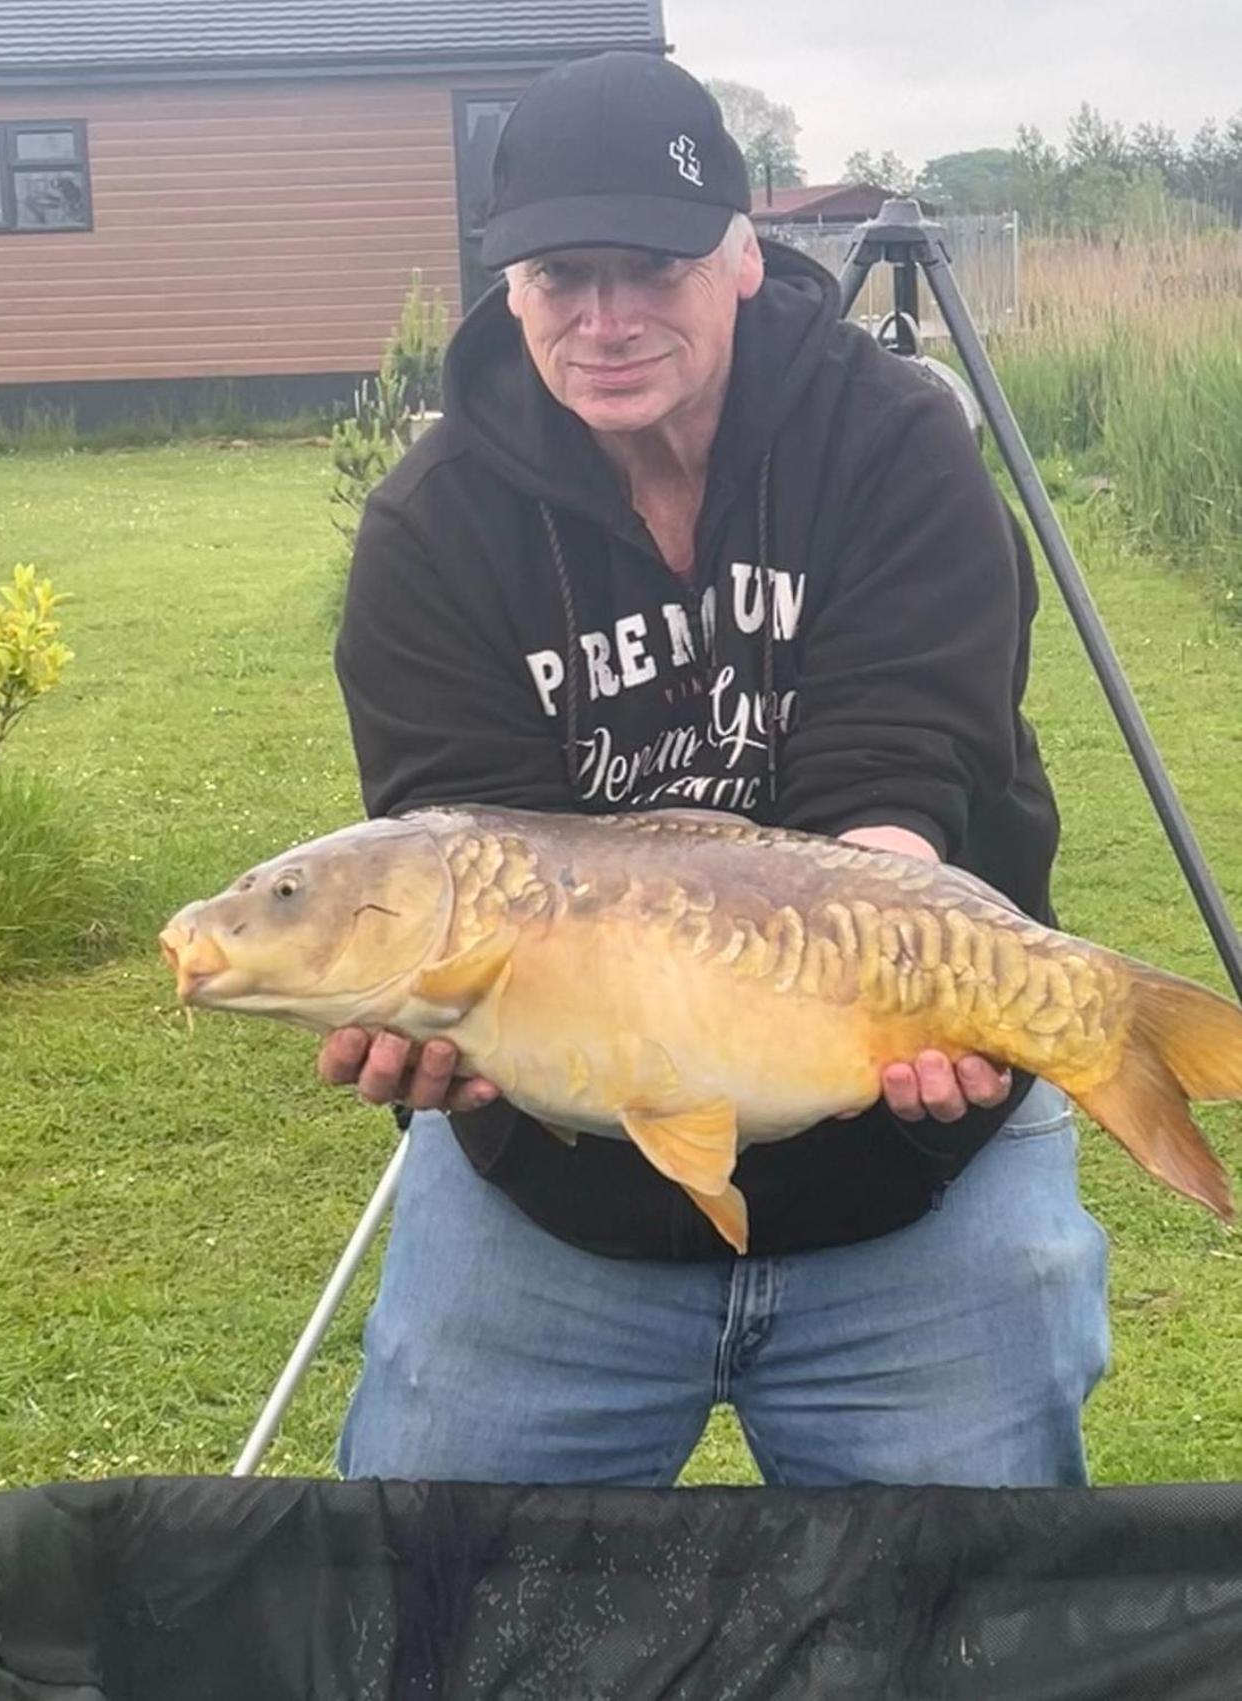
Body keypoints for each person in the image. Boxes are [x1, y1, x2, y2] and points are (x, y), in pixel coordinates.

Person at [323, 51, 1109, 1489]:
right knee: (436, 1601)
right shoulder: (432, 532)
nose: (605, 318)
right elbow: (461, 853)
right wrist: (428, 1015)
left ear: (745, 257)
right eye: (563, 275)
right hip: (556, 1210)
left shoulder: (897, 445)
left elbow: (894, 781)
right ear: (510, 286)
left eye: (652, 267)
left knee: (970, 1617)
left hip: (914, 1182)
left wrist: (907, 971)